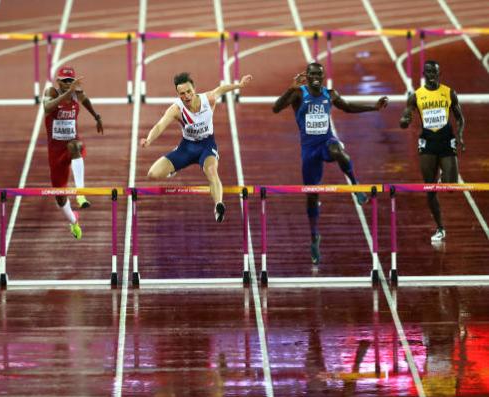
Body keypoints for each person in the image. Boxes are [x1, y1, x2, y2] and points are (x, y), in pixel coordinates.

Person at [272, 62, 388, 265]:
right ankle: (314, 237)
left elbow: (349, 107)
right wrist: (290, 87)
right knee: (311, 196)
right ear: (306, 76)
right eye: (312, 74)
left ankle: (356, 186)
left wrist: (375, 107)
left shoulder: (330, 94)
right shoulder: (298, 94)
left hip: (326, 142)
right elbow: (276, 109)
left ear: (323, 76)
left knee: (339, 152)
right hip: (309, 151)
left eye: (319, 74)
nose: (316, 77)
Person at [139, 72, 253, 222]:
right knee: (153, 174)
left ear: (194, 89)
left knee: (212, 171)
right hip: (186, 148)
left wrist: (239, 85)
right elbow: (160, 125)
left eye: (188, 92)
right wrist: (148, 140)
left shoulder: (208, 99)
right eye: (182, 94)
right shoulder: (176, 109)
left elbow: (221, 89)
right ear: (178, 94)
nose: (186, 96)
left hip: (207, 145)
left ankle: (218, 205)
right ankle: (173, 169)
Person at [399, 60, 465, 242]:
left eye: (434, 71)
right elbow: (405, 116)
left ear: (439, 73)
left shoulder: (449, 92)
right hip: (427, 142)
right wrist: (404, 121)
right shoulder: (416, 96)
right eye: (428, 72)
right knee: (429, 188)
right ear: (424, 74)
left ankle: (444, 175)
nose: (431, 75)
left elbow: (460, 118)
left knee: (450, 187)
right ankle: (440, 228)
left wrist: (460, 136)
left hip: (446, 139)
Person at [43, 66, 103, 239]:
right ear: (58, 81)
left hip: (71, 144)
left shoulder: (77, 92)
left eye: (71, 81)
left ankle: (80, 194)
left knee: (75, 146)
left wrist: (96, 116)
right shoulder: (51, 92)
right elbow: (47, 108)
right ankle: (73, 221)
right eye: (65, 81)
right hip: (55, 151)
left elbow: (86, 101)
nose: (68, 84)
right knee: (60, 196)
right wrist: (67, 93)